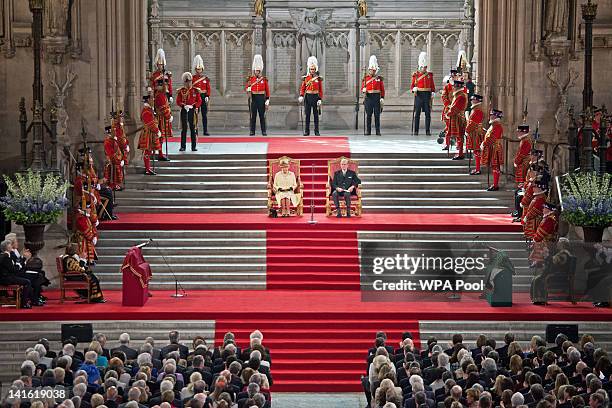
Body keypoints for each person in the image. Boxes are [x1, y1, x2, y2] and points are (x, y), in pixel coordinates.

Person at [6, 232, 48, 304]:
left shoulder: (15, 251)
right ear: (12, 243)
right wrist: (24, 258)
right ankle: (34, 298)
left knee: (40, 274)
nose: (18, 243)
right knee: (39, 275)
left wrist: (24, 257)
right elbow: (17, 266)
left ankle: (36, 296)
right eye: (16, 241)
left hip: (20, 271)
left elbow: (19, 263)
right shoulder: (10, 253)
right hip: (17, 274)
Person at [0, 239, 35, 308]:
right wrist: (20, 262)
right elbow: (13, 270)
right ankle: (24, 303)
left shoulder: (5, 256)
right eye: (10, 244)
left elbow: (13, 268)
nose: (11, 246)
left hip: (7, 277)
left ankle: (29, 300)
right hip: (6, 279)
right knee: (27, 282)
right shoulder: (5, 257)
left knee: (26, 280)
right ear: (7, 247)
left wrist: (19, 263)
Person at [176, 72, 202, 152]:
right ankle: (182, 146)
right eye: (187, 82)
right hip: (184, 110)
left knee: (193, 128)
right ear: (185, 82)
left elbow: (199, 101)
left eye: (190, 81)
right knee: (184, 129)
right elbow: (178, 101)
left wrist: (194, 106)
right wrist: (183, 105)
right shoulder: (181, 91)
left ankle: (193, 146)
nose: (189, 83)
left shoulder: (195, 90)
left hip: (192, 111)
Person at [411, 51, 435, 136]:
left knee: (428, 114)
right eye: (423, 67)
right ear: (420, 67)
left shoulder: (429, 75)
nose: (424, 69)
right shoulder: (416, 75)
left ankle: (427, 131)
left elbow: (432, 85)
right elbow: (412, 86)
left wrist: (432, 92)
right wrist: (414, 89)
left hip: (427, 96)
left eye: (425, 67)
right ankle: (416, 131)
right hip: (419, 96)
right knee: (417, 114)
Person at [481, 109, 504, 191]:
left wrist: (484, 143)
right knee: (494, 166)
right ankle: (494, 184)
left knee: (496, 167)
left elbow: (492, 138)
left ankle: (495, 185)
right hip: (492, 148)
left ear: (496, 117)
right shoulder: (493, 125)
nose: (490, 116)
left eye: (492, 115)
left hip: (495, 149)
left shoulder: (497, 126)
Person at [299, 56, 323, 136]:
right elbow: (303, 88)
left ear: (315, 69)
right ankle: (307, 131)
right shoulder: (306, 78)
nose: (312, 70)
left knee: (316, 116)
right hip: (308, 97)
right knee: (307, 115)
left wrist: (320, 99)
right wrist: (301, 96)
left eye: (313, 69)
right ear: (309, 69)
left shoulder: (318, 79)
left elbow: (320, 90)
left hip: (315, 97)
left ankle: (317, 131)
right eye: (311, 69)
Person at [362, 55, 385, 136]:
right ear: (369, 70)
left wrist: (382, 97)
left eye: (374, 70)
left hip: (376, 98)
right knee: (368, 115)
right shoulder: (365, 79)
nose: (373, 72)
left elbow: (382, 89)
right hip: (368, 98)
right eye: (372, 70)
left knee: (377, 115)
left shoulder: (379, 79)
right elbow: (363, 88)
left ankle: (377, 131)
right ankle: (368, 131)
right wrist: (363, 90)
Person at [138, 94, 161, 176]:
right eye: (152, 99)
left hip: (150, 133)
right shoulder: (146, 111)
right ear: (148, 100)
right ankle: (147, 169)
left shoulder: (149, 109)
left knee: (149, 151)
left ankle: (148, 168)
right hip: (148, 133)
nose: (153, 101)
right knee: (147, 151)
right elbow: (150, 123)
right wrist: (157, 130)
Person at [445, 79, 468, 160]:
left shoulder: (461, 96)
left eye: (454, 87)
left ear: (458, 87)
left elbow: (456, 108)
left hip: (458, 118)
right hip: (456, 117)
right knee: (459, 137)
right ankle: (460, 152)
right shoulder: (458, 94)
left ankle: (460, 153)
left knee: (460, 136)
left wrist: (448, 113)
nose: (453, 88)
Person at [465, 94, 485, 175]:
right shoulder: (475, 109)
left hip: (476, 133)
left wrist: (467, 130)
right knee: (476, 151)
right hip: (473, 133)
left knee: (477, 151)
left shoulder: (477, 111)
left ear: (477, 101)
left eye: (473, 99)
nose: (471, 101)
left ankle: (478, 169)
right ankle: (477, 168)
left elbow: (473, 123)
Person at [153, 79, 172, 160]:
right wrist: (169, 116)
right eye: (165, 85)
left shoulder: (162, 94)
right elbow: (163, 108)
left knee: (161, 137)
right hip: (161, 118)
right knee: (160, 137)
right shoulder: (160, 95)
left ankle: (160, 153)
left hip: (162, 118)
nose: (166, 86)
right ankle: (160, 154)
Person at [192, 55, 211, 136]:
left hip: (203, 97)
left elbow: (208, 88)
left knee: (204, 115)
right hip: (196, 97)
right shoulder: (193, 78)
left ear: (202, 69)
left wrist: (207, 96)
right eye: (197, 69)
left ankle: (205, 130)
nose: (198, 71)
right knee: (195, 115)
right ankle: (195, 130)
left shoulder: (205, 79)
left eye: (200, 69)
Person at [440, 69, 459, 150]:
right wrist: (449, 105)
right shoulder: (447, 87)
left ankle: (459, 145)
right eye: (452, 76)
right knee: (448, 128)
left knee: (459, 128)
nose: (453, 77)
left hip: (457, 109)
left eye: (455, 76)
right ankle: (447, 144)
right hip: (449, 109)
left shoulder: (459, 86)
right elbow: (444, 96)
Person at [103, 125, 125, 191]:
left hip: (117, 160)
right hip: (112, 161)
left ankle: (116, 185)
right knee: (112, 174)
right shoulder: (108, 141)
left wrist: (122, 158)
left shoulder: (113, 140)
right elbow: (111, 154)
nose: (115, 132)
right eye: (113, 131)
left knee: (116, 174)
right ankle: (113, 186)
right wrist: (118, 160)